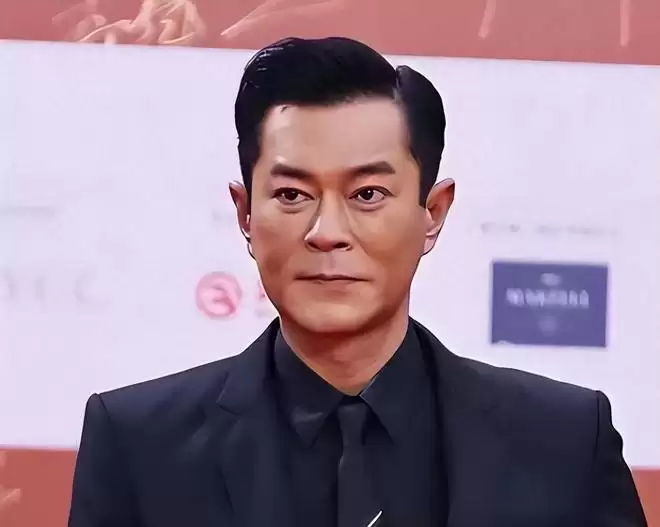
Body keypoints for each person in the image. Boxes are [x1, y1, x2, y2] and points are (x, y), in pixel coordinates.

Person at [68, 37, 647, 527]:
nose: (326, 233)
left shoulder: (566, 442)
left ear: (432, 212)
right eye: (291, 194)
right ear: (245, 214)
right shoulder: (138, 446)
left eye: (368, 194)